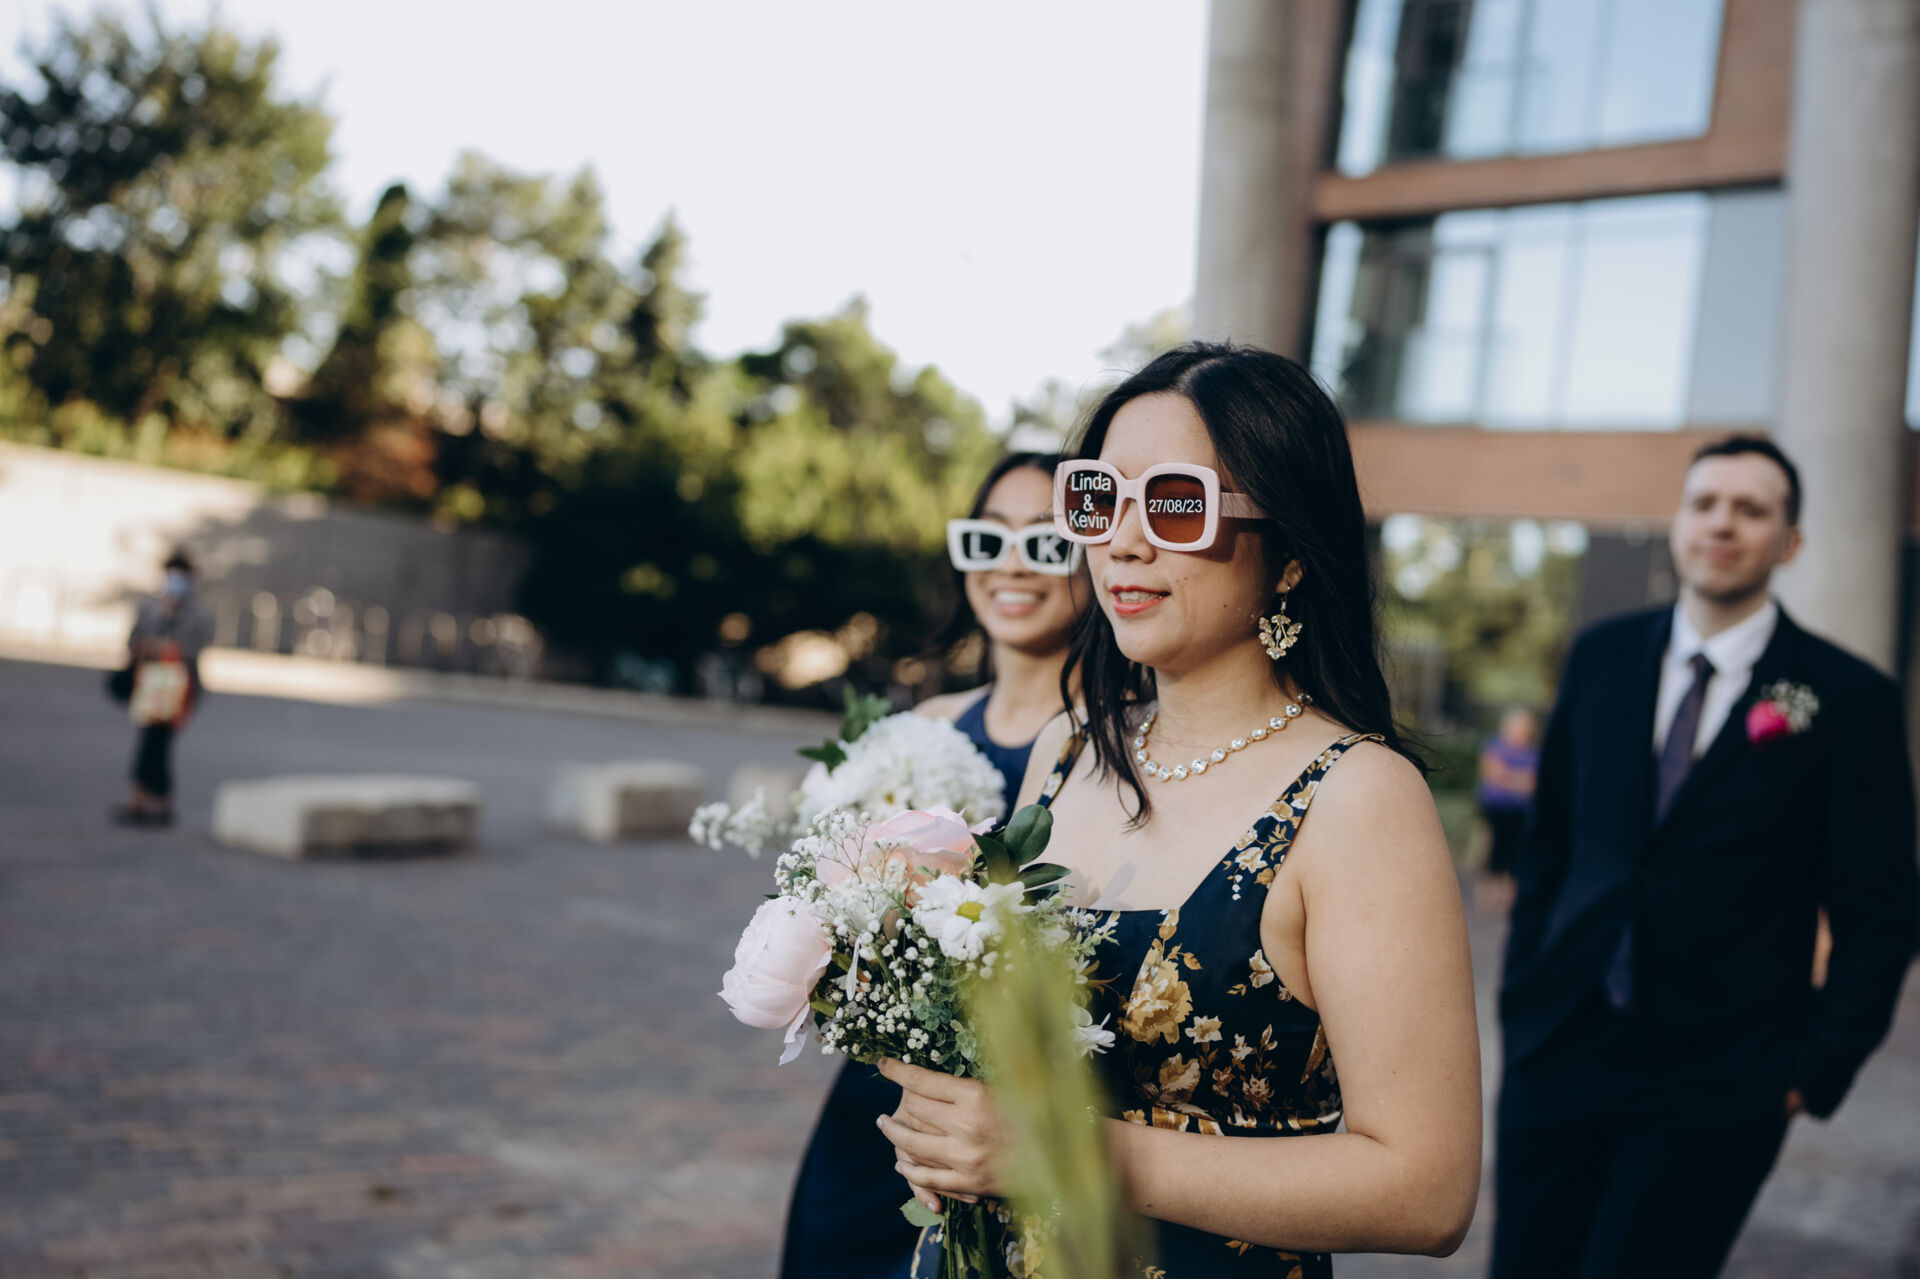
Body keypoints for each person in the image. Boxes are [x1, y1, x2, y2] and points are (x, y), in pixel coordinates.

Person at [879, 343, 1482, 1274]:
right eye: (1098, 498)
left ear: (1289, 553)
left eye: (1174, 502)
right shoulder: (1067, 748)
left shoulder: (1358, 797)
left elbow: (1427, 1188)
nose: (1122, 540)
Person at [1491, 436, 1920, 1279]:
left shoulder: (1848, 698)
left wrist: (1813, 1070)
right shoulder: (1601, 656)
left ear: (1789, 541)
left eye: (1751, 509)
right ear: (1680, 523)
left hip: (1722, 1081)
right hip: (1562, 1048)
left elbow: (1882, 912)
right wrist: (1525, 994)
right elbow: (1551, 843)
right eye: (1706, 504)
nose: (1723, 523)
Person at [780, 453, 1089, 1279]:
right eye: (988, 540)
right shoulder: (926, 725)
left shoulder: (1114, 748)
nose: (1011, 566)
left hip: (1010, 1117)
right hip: (880, 1097)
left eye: (1046, 542)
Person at [114, 548, 214, 827]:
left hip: (177, 687)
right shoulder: (151, 607)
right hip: (149, 682)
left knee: (157, 743)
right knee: (151, 742)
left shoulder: (198, 614)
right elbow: (134, 640)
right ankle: (148, 801)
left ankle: (151, 802)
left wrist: (161, 644)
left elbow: (191, 647)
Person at [1475, 707, 1538, 912]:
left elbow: (1534, 782)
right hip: (1497, 808)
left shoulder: (1532, 752)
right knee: (1495, 850)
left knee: (1516, 853)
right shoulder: (1495, 746)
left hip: (1521, 811)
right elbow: (1494, 773)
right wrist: (1519, 780)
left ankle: (1507, 896)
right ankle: (1488, 893)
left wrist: (1510, 778)